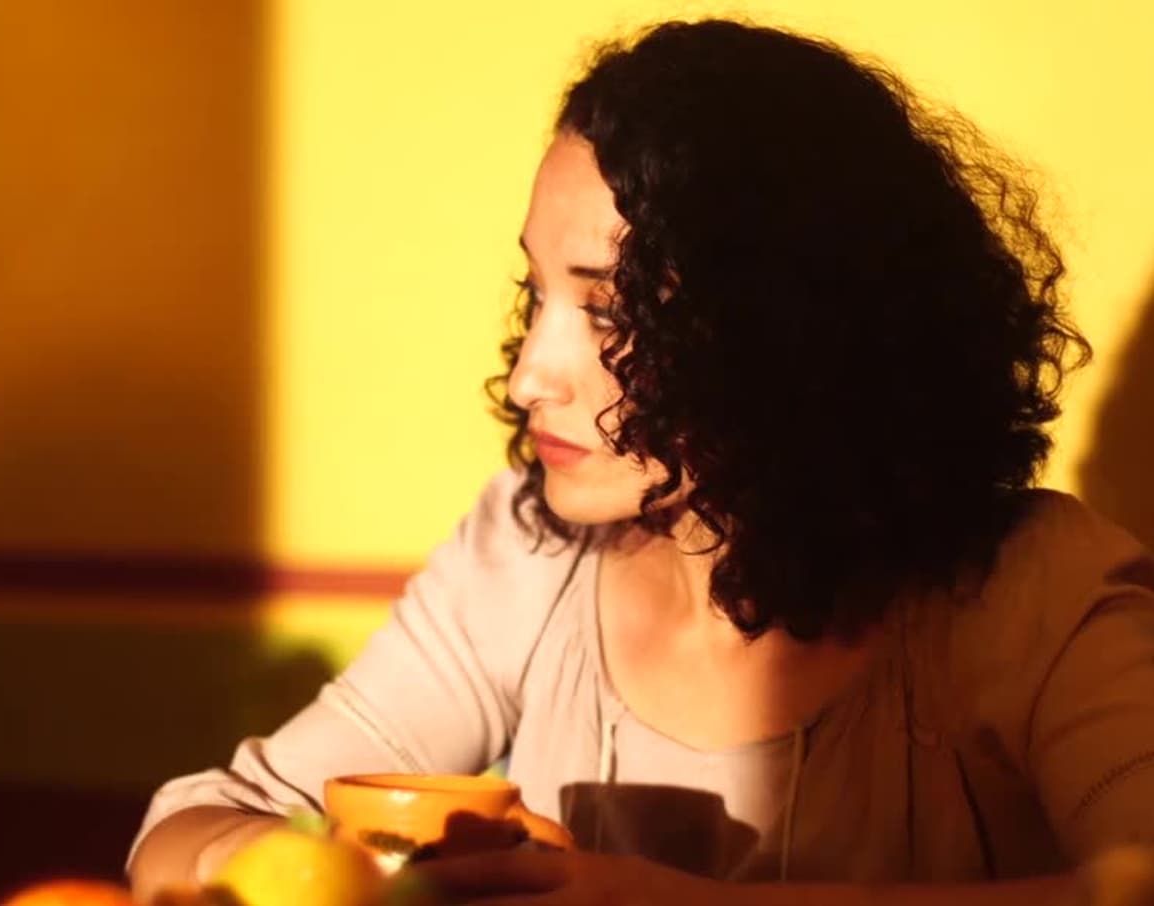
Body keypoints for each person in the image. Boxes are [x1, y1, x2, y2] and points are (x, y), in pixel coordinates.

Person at [128, 19, 1154, 906]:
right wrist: (309, 872)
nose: (529, 376)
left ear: (793, 333)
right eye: (539, 294)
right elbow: (196, 822)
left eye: (611, 310)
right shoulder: (527, 560)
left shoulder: (1030, 592)